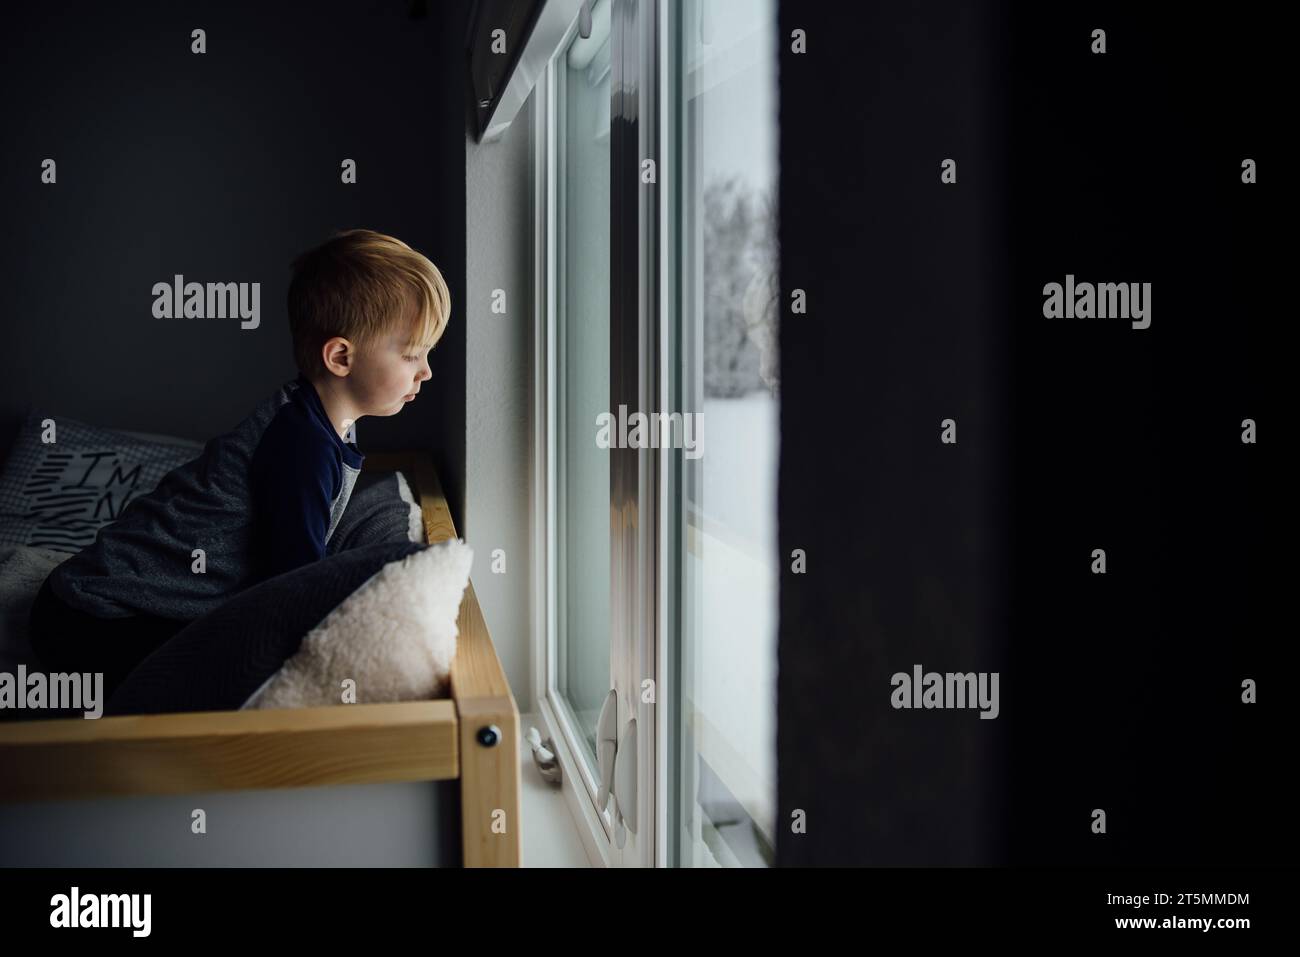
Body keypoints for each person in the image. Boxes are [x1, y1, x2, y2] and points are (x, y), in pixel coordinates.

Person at [28, 229, 450, 700]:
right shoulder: (302, 446)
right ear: (340, 357)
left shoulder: (326, 421)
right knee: (212, 670)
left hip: (90, 602)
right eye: (413, 353)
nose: (426, 370)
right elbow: (293, 583)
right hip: (91, 617)